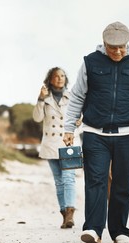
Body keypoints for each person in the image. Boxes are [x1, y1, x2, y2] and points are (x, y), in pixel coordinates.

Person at [63, 21, 129, 243]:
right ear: (104, 44)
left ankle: (119, 231)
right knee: (95, 181)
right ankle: (93, 230)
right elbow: (77, 96)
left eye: (121, 47)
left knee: (122, 183)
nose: (117, 52)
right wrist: (69, 128)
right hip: (94, 132)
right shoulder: (90, 62)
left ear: (127, 44)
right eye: (112, 47)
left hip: (127, 134)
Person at [33, 67, 81, 229]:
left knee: (69, 179)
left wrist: (79, 122)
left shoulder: (73, 96)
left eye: (62, 76)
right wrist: (40, 99)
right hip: (50, 144)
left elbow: (80, 117)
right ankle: (64, 214)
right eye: (56, 76)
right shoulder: (45, 99)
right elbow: (37, 118)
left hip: (68, 142)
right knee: (59, 182)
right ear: (50, 79)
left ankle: (70, 213)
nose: (60, 79)